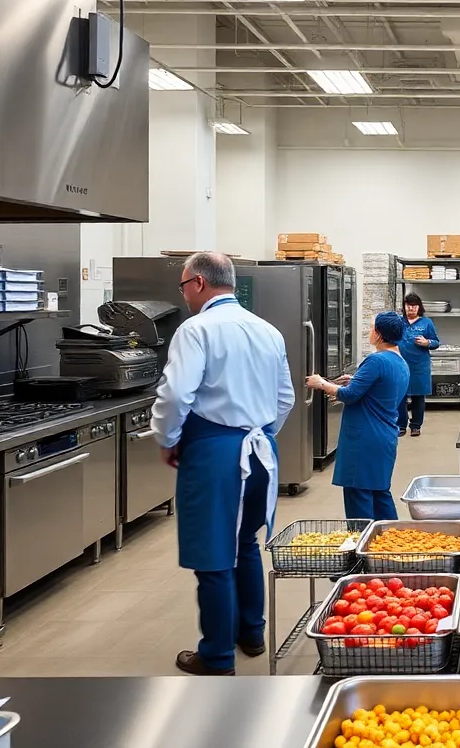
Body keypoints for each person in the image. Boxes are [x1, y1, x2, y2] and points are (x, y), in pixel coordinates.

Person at [150, 251, 295, 676]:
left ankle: (215, 656)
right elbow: (284, 398)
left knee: (213, 554)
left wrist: (167, 439)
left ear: (197, 283)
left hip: (216, 453)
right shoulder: (267, 330)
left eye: (183, 286)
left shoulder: (196, 330)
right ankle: (251, 633)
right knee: (245, 542)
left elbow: (177, 396)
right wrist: (261, 435)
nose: (185, 294)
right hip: (262, 451)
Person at [307, 312, 410, 520]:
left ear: (379, 335)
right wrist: (357, 379)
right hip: (385, 437)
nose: (369, 332)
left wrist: (322, 384)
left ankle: (361, 546)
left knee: (359, 495)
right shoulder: (400, 362)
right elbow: (383, 389)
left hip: (364, 438)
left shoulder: (376, 361)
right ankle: (388, 543)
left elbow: (350, 395)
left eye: (372, 328)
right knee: (380, 493)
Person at [396, 293, 439, 437]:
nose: (411, 309)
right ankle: (401, 425)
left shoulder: (426, 322)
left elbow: (436, 342)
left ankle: (416, 426)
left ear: (419, 307)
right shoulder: (398, 322)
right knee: (399, 396)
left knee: (418, 397)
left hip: (420, 366)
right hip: (400, 365)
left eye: (414, 306)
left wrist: (428, 343)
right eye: (408, 306)